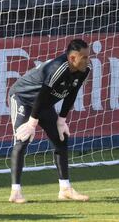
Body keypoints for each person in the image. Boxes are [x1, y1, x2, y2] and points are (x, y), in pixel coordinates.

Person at [8, 39, 91, 203]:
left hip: (43, 104)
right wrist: (32, 123)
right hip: (23, 98)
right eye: (84, 57)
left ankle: (65, 189)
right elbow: (42, 94)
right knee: (22, 140)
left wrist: (61, 119)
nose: (88, 60)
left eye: (88, 56)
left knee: (61, 139)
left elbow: (71, 93)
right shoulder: (58, 69)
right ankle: (15, 192)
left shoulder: (84, 70)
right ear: (73, 58)